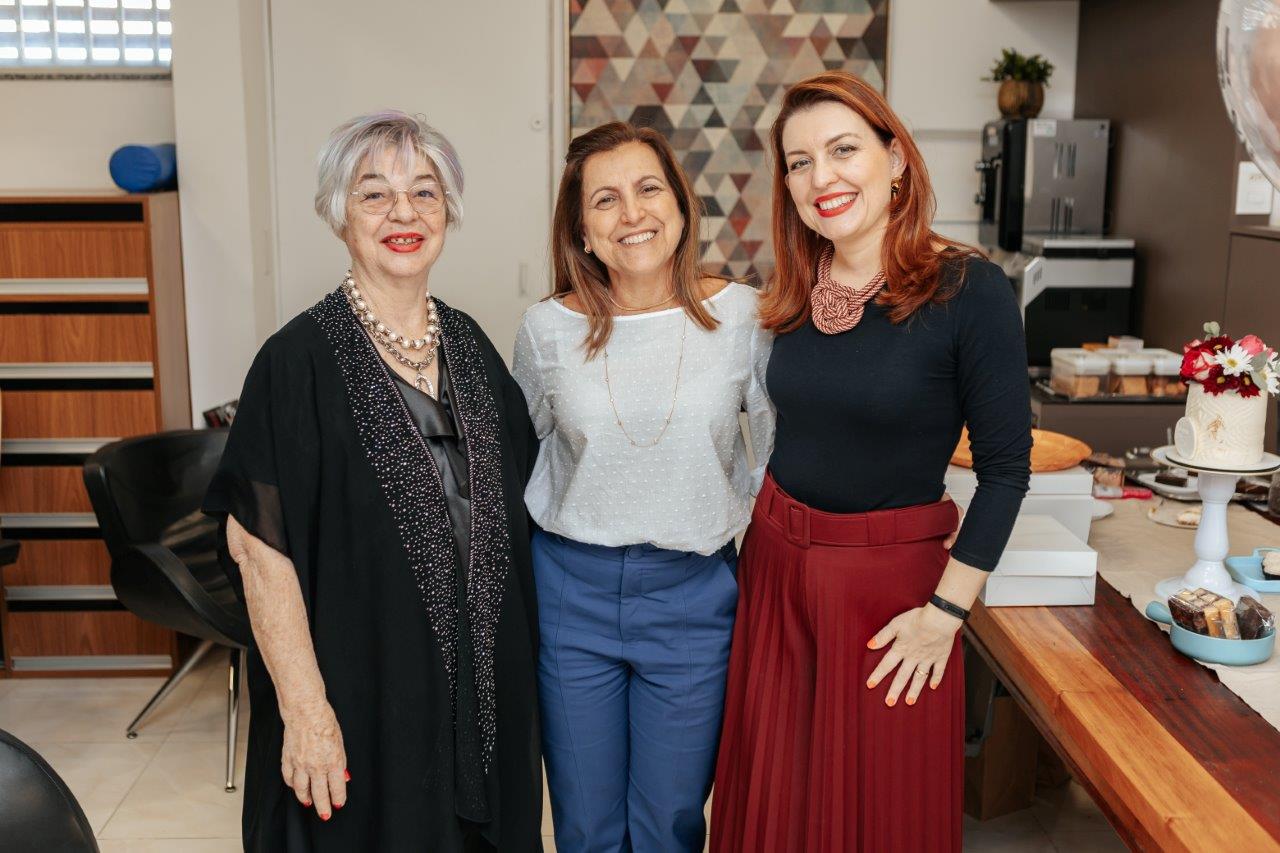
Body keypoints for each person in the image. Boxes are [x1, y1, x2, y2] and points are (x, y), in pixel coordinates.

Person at [202, 110, 542, 852]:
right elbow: (257, 549)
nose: (403, 213)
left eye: (424, 192)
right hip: (359, 701)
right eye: (375, 194)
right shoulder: (295, 362)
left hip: (484, 701)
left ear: (448, 210)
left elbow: (523, 512)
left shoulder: (473, 347)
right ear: (339, 214)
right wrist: (306, 712)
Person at [711, 72, 1033, 852]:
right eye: (799, 162)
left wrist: (946, 615)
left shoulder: (969, 290)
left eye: (843, 150)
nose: (820, 177)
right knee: (773, 810)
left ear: (895, 159)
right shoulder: (793, 289)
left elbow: (1006, 470)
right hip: (776, 574)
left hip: (889, 600)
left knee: (877, 815)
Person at [512, 121, 774, 852]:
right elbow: (520, 453)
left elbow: (773, 450)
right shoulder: (544, 330)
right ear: (582, 231)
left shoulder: (744, 317)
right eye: (605, 199)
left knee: (670, 823)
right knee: (586, 825)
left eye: (648, 188)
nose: (632, 213)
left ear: (682, 207)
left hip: (693, 594)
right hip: (571, 592)